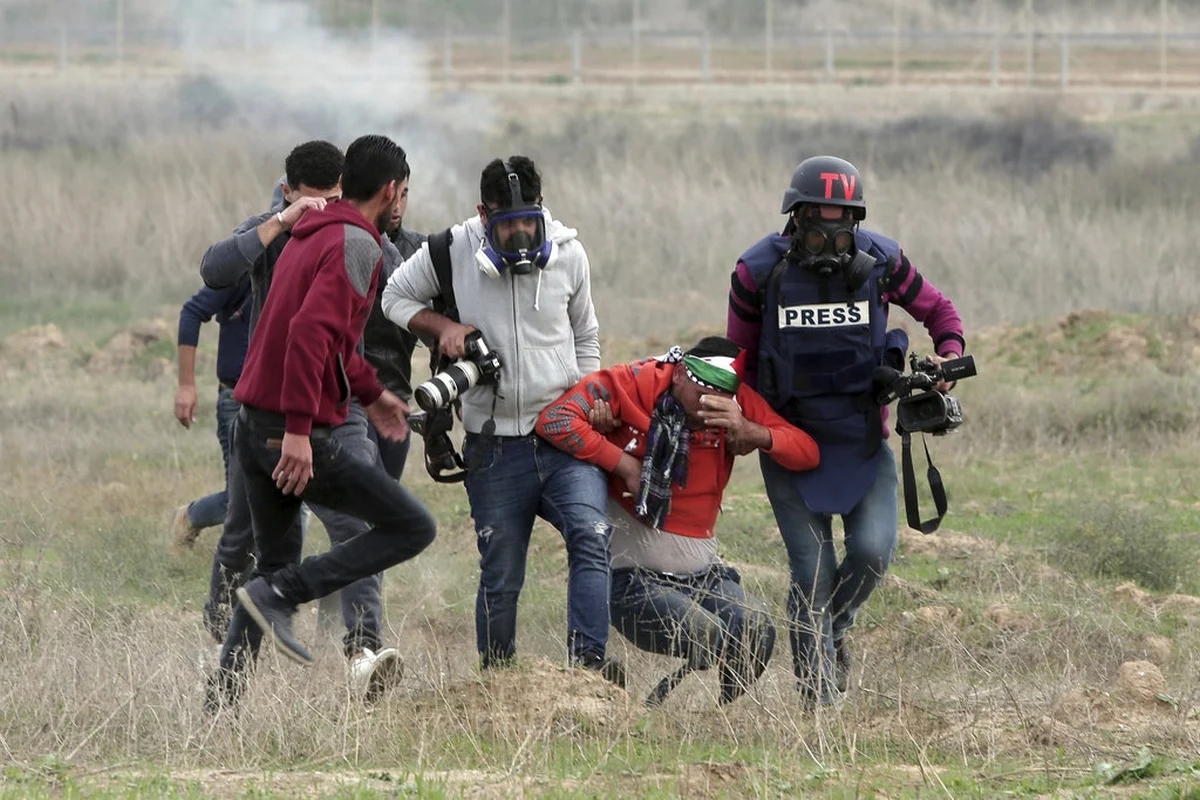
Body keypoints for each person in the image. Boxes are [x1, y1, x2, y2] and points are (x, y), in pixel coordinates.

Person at [208, 134, 438, 710]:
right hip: (292, 430)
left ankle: (219, 707)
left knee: (270, 572)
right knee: (412, 527)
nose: (402, 202)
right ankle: (292, 595)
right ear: (389, 191)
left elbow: (330, 340)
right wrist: (297, 432)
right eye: (403, 192)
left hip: (253, 423)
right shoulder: (357, 245)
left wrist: (372, 393)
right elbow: (309, 336)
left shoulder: (312, 231)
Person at [726, 155, 965, 706]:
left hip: (861, 438)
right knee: (811, 573)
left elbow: (940, 312)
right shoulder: (756, 272)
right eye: (818, 226)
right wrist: (741, 421)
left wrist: (945, 362)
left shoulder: (882, 260)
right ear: (796, 218)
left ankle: (831, 631)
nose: (831, 239)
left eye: (843, 226)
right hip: (787, 444)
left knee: (873, 553)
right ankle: (818, 705)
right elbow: (736, 361)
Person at [381, 155, 622, 683]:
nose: (518, 234)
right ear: (482, 214)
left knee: (591, 534)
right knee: (501, 573)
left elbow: (585, 334)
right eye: (505, 223)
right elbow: (393, 297)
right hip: (493, 446)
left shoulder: (569, 253)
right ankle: (499, 684)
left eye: (527, 222)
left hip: (564, 436)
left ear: (541, 210)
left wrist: (590, 396)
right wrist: (442, 324)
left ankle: (587, 673)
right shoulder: (449, 250)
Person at [535, 336, 820, 704]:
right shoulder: (631, 382)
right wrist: (623, 464)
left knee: (756, 628)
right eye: (701, 394)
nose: (706, 408)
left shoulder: (733, 404)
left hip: (704, 573)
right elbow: (554, 419)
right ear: (682, 374)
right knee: (706, 633)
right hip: (632, 576)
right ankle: (619, 695)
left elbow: (808, 453)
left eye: (719, 397)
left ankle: (717, 718)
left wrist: (751, 431)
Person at [169, 274, 252, 553]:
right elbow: (193, 312)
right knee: (239, 499)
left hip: (284, 400)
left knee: (289, 496)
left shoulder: (308, 255)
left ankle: (277, 580)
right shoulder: (245, 261)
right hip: (236, 399)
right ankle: (189, 517)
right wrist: (186, 385)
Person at [362, 177, 424, 481]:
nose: (396, 206)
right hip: (353, 402)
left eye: (404, 195)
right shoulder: (350, 243)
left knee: (386, 507)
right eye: (389, 196)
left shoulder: (421, 251)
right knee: (366, 500)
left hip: (396, 395)